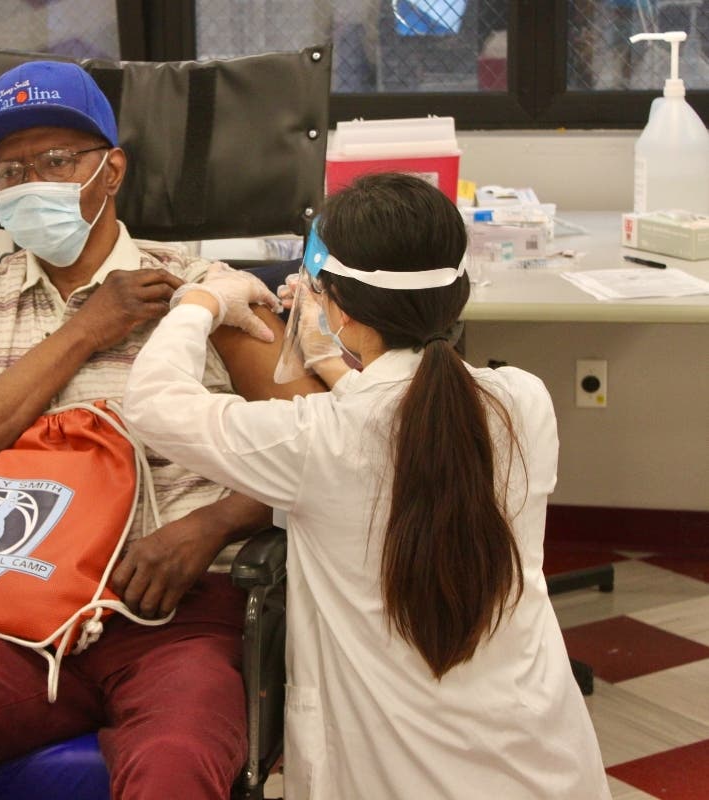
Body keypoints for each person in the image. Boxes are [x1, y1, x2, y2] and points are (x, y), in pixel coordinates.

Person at [0, 60, 322, 799]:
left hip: (174, 612)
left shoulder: (205, 290)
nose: (29, 183)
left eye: (55, 160)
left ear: (112, 170)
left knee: (174, 758)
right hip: (5, 611)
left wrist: (213, 524)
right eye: (9, 172)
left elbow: (321, 442)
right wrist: (85, 330)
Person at [122, 172, 611, 799]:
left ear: (343, 308)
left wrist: (201, 302)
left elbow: (154, 404)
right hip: (543, 765)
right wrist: (333, 357)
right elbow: (402, 418)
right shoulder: (523, 400)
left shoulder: (314, 440)